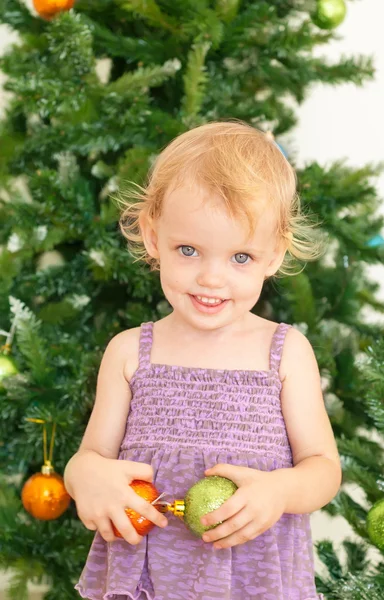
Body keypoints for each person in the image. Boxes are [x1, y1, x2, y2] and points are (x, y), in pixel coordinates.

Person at [64, 120, 341, 600]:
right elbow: (90, 458)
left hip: (254, 582)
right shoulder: (131, 352)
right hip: (147, 583)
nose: (211, 278)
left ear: (274, 253)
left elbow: (323, 468)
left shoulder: (286, 352)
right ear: (153, 237)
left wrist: (279, 492)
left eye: (240, 257)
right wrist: (84, 476)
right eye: (188, 250)